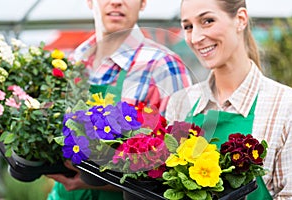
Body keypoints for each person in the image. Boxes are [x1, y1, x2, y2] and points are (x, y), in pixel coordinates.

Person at [46, 0, 192, 199]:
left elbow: (178, 164)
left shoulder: (162, 66)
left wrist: (97, 182)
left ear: (142, 3)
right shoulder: (74, 60)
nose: (116, 2)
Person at [165, 0, 292, 199]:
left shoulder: (285, 106)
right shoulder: (180, 103)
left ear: (240, 19)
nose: (196, 37)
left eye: (207, 21)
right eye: (188, 27)